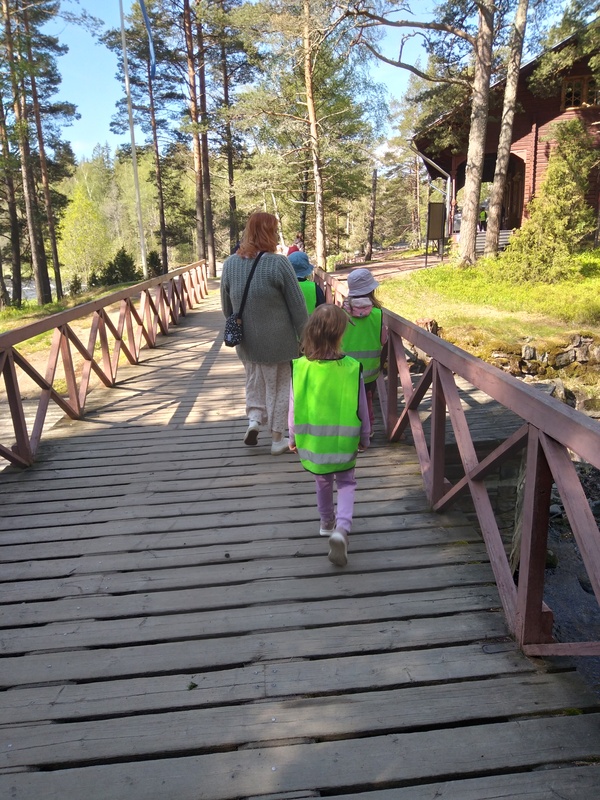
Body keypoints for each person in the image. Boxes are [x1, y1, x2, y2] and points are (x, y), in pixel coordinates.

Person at [289, 304, 370, 567]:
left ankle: (326, 522)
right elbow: (361, 407)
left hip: (313, 443)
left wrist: (292, 437)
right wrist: (365, 436)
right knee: (346, 483)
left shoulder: (300, 368)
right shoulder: (352, 368)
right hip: (345, 441)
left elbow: (293, 407)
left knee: (322, 481)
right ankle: (342, 528)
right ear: (340, 334)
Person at [221, 212, 308, 455]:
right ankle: (277, 438)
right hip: (279, 342)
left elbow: (227, 309)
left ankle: (254, 421)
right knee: (279, 388)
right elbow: (297, 307)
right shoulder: (279, 263)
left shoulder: (230, 264)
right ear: (270, 233)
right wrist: (306, 337)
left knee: (254, 382)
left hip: (247, 342)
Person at [341, 268, 387, 437]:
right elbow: (383, 340)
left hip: (345, 369)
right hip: (370, 370)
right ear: (371, 290)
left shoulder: (341, 313)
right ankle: (368, 430)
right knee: (367, 400)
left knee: (349, 400)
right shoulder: (378, 314)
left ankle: (349, 430)